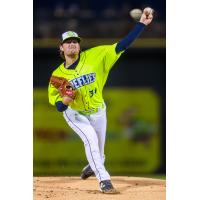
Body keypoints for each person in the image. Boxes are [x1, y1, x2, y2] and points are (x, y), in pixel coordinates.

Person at [48, 8, 153, 194]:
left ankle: (94, 164)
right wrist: (64, 101)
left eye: (75, 42)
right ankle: (104, 180)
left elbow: (122, 45)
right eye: (67, 42)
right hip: (75, 113)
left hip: (97, 111)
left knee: (100, 153)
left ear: (79, 47)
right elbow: (57, 106)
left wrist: (141, 25)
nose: (72, 44)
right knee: (90, 140)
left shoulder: (96, 56)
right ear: (61, 48)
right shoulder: (57, 76)